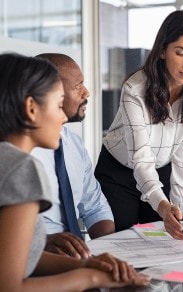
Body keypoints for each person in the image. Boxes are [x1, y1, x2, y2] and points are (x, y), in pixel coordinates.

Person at [0, 53, 149, 291]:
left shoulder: (8, 160)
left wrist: (86, 265)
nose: (62, 117)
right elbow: (9, 286)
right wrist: (92, 278)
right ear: (31, 108)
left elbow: (17, 256)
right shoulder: (21, 168)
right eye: (58, 105)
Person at [95, 10, 183, 239]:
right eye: (180, 53)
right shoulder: (135, 89)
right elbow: (140, 159)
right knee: (123, 244)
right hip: (120, 172)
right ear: (162, 50)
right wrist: (162, 206)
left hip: (162, 170)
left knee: (162, 244)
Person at [31, 53, 115, 259]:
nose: (87, 92)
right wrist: (41, 243)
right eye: (78, 86)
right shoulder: (19, 152)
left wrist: (111, 250)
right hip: (36, 257)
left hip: (78, 257)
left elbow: (95, 206)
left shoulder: (74, 144)